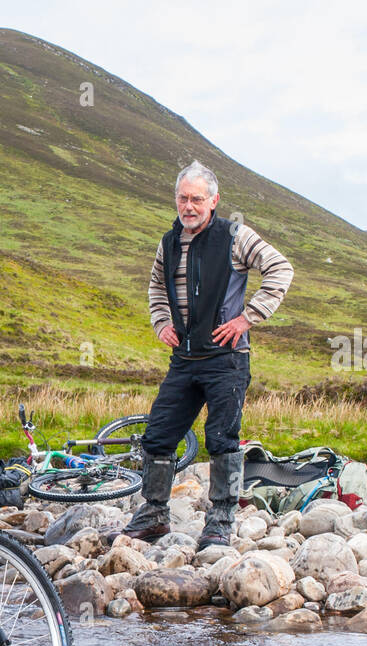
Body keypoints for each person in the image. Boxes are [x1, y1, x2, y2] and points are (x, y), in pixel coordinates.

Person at [122, 161, 293, 550]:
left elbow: (281, 269)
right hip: (183, 358)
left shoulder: (235, 236)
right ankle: (153, 515)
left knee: (222, 440)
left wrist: (248, 319)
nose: (189, 206)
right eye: (183, 198)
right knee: (158, 435)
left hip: (226, 359)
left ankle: (220, 521)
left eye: (197, 199)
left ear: (213, 201)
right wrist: (161, 321)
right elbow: (155, 286)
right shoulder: (168, 242)